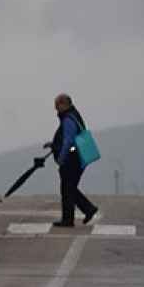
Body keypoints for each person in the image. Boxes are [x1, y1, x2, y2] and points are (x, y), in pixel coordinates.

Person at [49, 93, 98, 227]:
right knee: (69, 189)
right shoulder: (73, 116)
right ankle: (86, 210)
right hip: (75, 156)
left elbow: (69, 142)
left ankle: (71, 218)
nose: (56, 110)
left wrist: (62, 157)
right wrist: (53, 145)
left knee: (67, 188)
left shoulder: (68, 119)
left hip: (72, 159)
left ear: (64, 105)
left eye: (57, 107)